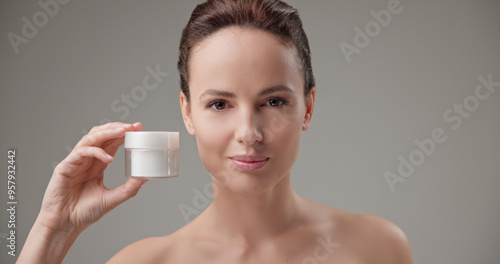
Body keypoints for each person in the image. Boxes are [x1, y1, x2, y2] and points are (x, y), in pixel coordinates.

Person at [18, 0, 413, 263]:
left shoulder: (377, 247)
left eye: (273, 101)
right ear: (187, 113)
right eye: (219, 104)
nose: (248, 132)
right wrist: (55, 231)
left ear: (307, 108)